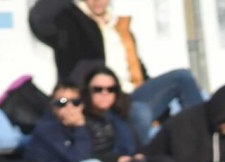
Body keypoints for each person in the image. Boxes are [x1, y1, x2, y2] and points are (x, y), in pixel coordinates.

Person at [28, 0, 204, 141]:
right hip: (99, 99)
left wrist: (160, 99)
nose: (97, 1)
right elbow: (39, 19)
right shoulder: (70, 24)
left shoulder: (120, 27)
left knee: (182, 76)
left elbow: (137, 69)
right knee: (139, 112)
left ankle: (204, 138)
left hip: (131, 94)